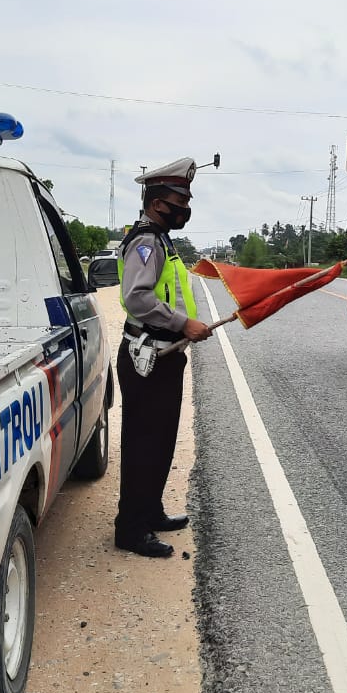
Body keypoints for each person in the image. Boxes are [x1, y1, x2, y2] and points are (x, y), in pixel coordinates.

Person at [113, 157, 213, 558]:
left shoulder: (161, 239)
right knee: (143, 444)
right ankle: (130, 529)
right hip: (147, 357)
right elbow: (137, 297)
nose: (185, 209)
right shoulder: (145, 241)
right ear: (156, 203)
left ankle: (149, 511)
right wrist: (182, 322)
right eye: (178, 202)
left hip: (164, 355)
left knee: (160, 442)